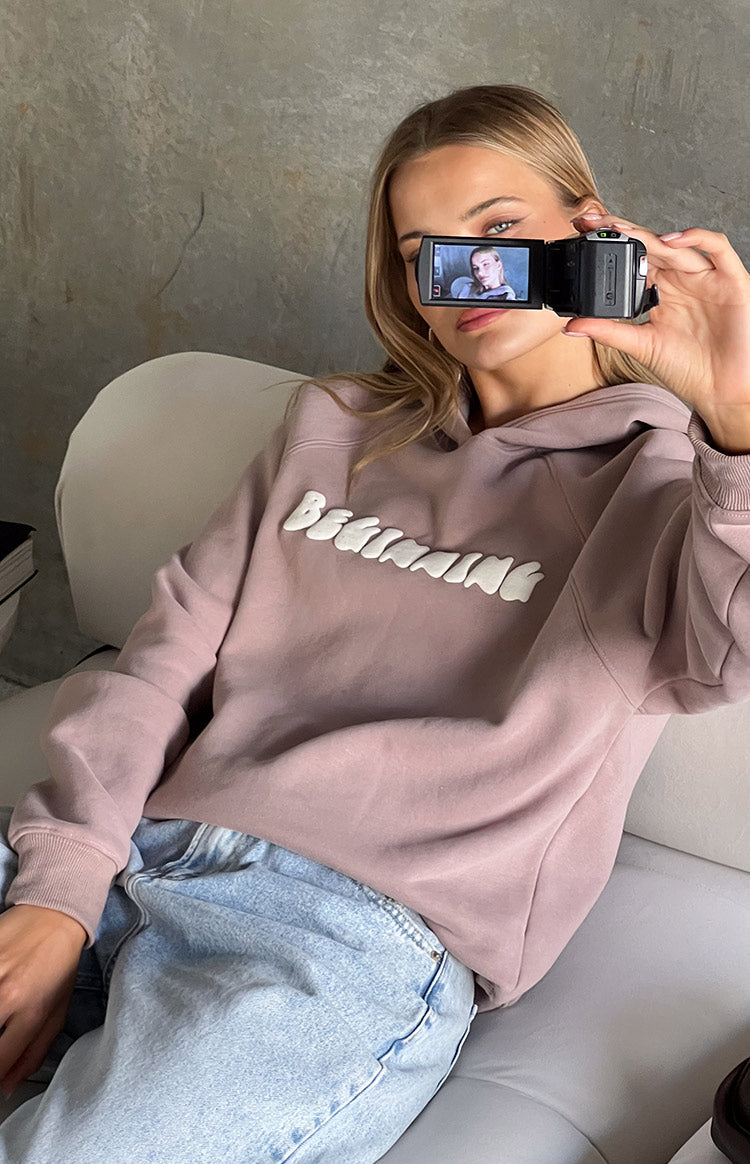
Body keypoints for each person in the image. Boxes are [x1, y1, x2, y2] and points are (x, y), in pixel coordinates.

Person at [0, 82, 749, 1164]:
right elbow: (159, 663)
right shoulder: (333, 426)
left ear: (589, 226)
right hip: (136, 850)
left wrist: (735, 422)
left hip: (341, 939)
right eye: (421, 253)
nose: (464, 275)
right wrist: (62, 885)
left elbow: (733, 645)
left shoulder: (666, 486)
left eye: (499, 228)